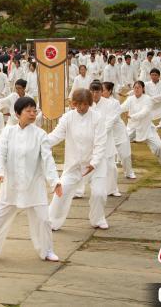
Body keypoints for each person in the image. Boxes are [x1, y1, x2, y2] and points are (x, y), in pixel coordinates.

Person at [0, 96, 61, 263]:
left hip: (33, 185)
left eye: (34, 110)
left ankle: (47, 250)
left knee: (43, 219)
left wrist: (55, 181)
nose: (32, 114)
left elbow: (47, 159)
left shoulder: (40, 134)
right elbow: (0, 154)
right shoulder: (8, 132)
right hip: (11, 185)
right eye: (28, 111)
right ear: (17, 114)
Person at [47, 89, 108, 230]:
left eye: (85, 104)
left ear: (89, 104)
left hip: (95, 164)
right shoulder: (68, 117)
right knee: (60, 191)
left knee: (99, 193)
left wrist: (94, 163)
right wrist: (40, 142)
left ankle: (98, 219)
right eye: (78, 104)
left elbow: (101, 143)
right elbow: (56, 135)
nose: (81, 108)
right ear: (74, 103)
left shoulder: (97, 118)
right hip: (74, 164)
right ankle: (51, 222)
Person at [121, 81, 161, 166]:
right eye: (135, 87)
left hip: (146, 127)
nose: (136, 89)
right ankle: (120, 160)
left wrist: (132, 116)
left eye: (139, 87)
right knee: (120, 142)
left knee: (160, 147)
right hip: (132, 128)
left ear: (143, 89)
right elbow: (121, 108)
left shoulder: (148, 99)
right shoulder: (130, 99)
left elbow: (145, 112)